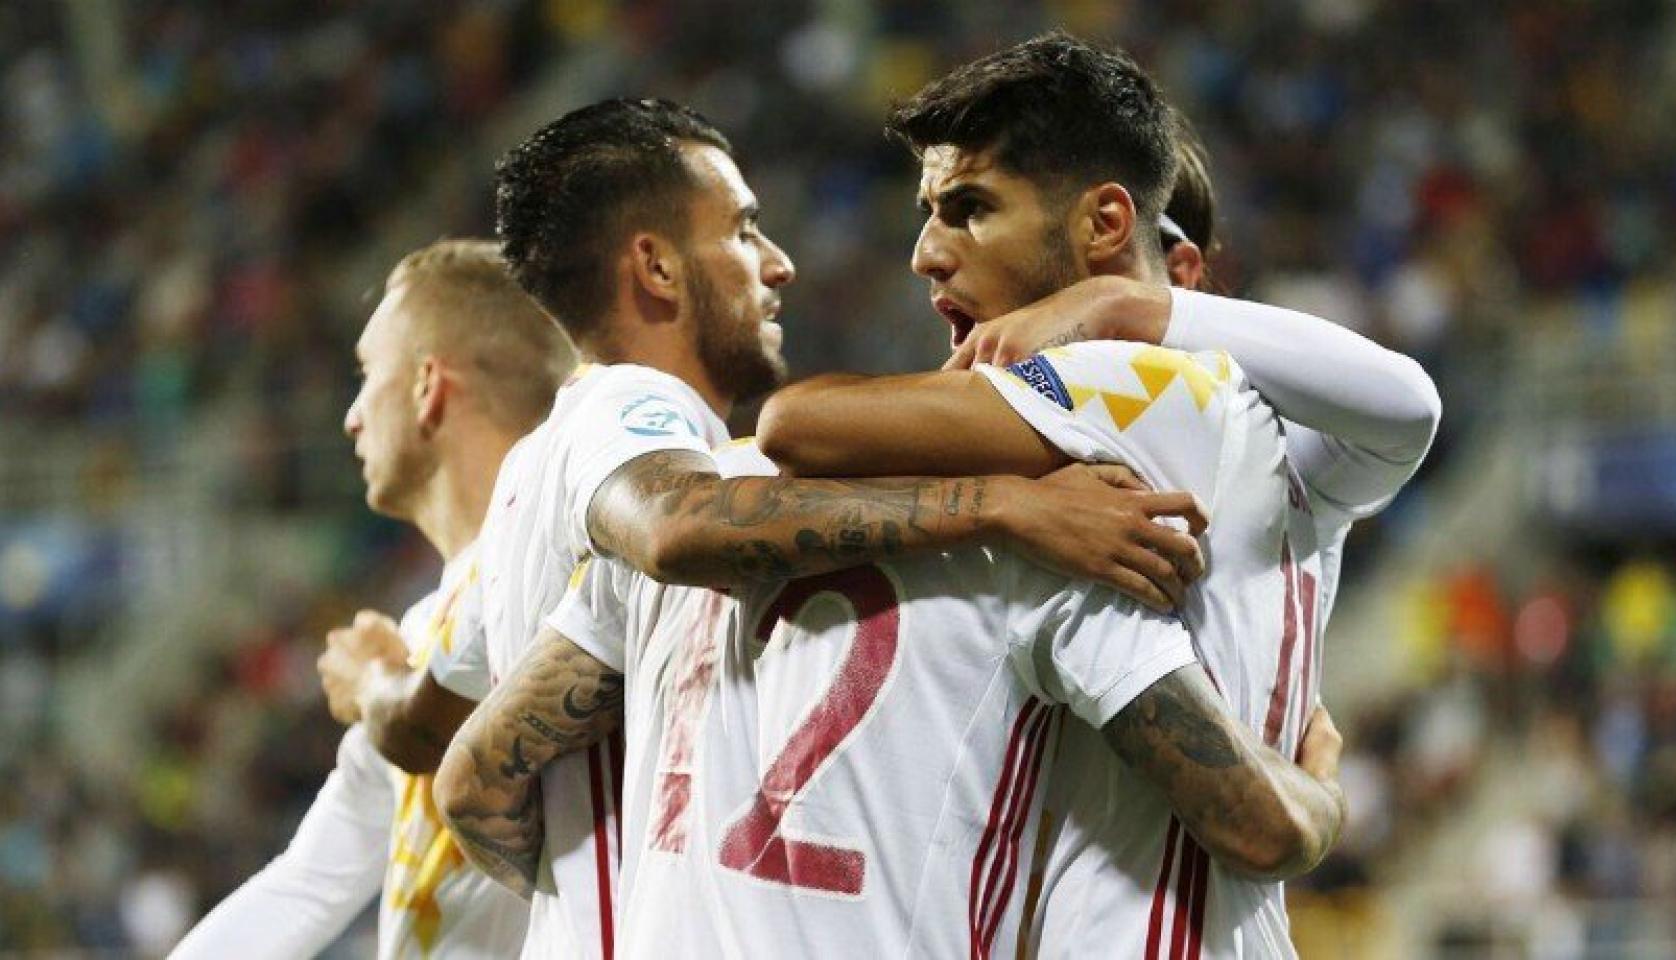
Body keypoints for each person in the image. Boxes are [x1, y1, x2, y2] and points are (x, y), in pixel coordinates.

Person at [440, 93, 1346, 958]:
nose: (928, 257)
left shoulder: (725, 484)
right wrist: (1323, 791)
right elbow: (1257, 826)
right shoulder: (1057, 531)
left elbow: (474, 782)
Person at [758, 32, 1441, 957]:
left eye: (967, 210)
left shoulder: (1140, 382)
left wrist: (1120, 310)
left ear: (1112, 230)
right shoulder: (1269, 459)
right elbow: (1400, 411)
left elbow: (797, 427)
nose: (925, 254)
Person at [171, 240, 574, 959]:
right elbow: (307, 885)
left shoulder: (559, 567)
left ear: (429, 386)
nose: (352, 417)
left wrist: (374, 684)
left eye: (367, 375)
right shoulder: (424, 628)